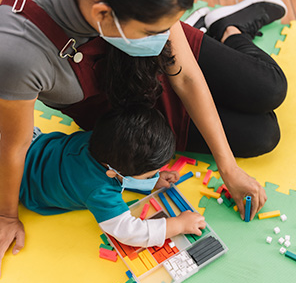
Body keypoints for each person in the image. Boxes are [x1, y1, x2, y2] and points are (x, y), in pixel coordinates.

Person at [0, 0, 287, 275]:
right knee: (264, 135)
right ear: (103, 14)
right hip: (124, 110)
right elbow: (15, 145)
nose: (165, 36)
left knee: (271, 88)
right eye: (155, 31)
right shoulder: (18, 53)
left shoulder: (149, 14)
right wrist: (6, 216)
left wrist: (229, 168)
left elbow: (185, 76)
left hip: (146, 70)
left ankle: (225, 27)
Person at [19, 106, 206, 248]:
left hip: (32, 143)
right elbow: (130, 233)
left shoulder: (106, 139)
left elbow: (126, 170)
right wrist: (179, 224)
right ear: (112, 173)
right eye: (149, 173)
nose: (154, 174)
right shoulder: (100, 190)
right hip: (21, 183)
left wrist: (152, 179)